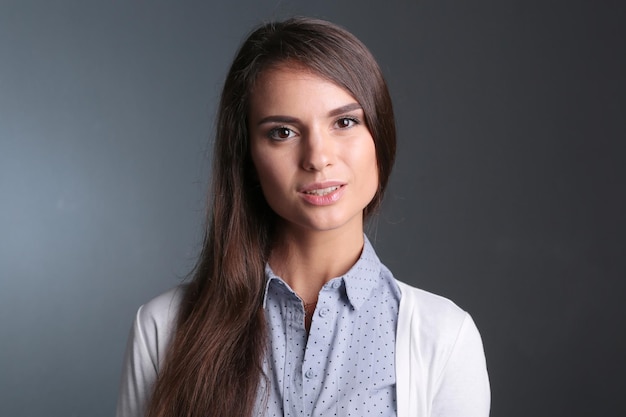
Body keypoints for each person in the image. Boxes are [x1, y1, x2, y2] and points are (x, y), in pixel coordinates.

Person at [115, 17, 490, 417]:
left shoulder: (444, 338)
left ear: (380, 135)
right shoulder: (165, 329)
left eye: (345, 122)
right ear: (247, 157)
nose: (317, 157)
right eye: (282, 132)